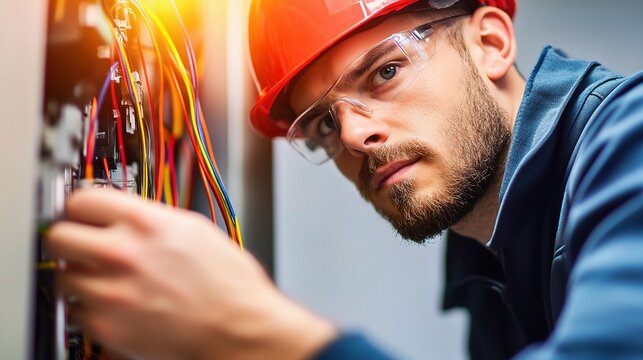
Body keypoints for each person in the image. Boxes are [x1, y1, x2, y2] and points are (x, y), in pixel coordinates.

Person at [46, 0, 643, 358]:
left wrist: (256, 334)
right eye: (325, 123)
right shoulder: (492, 263)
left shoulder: (631, 140)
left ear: (490, 42)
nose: (354, 137)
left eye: (384, 72)